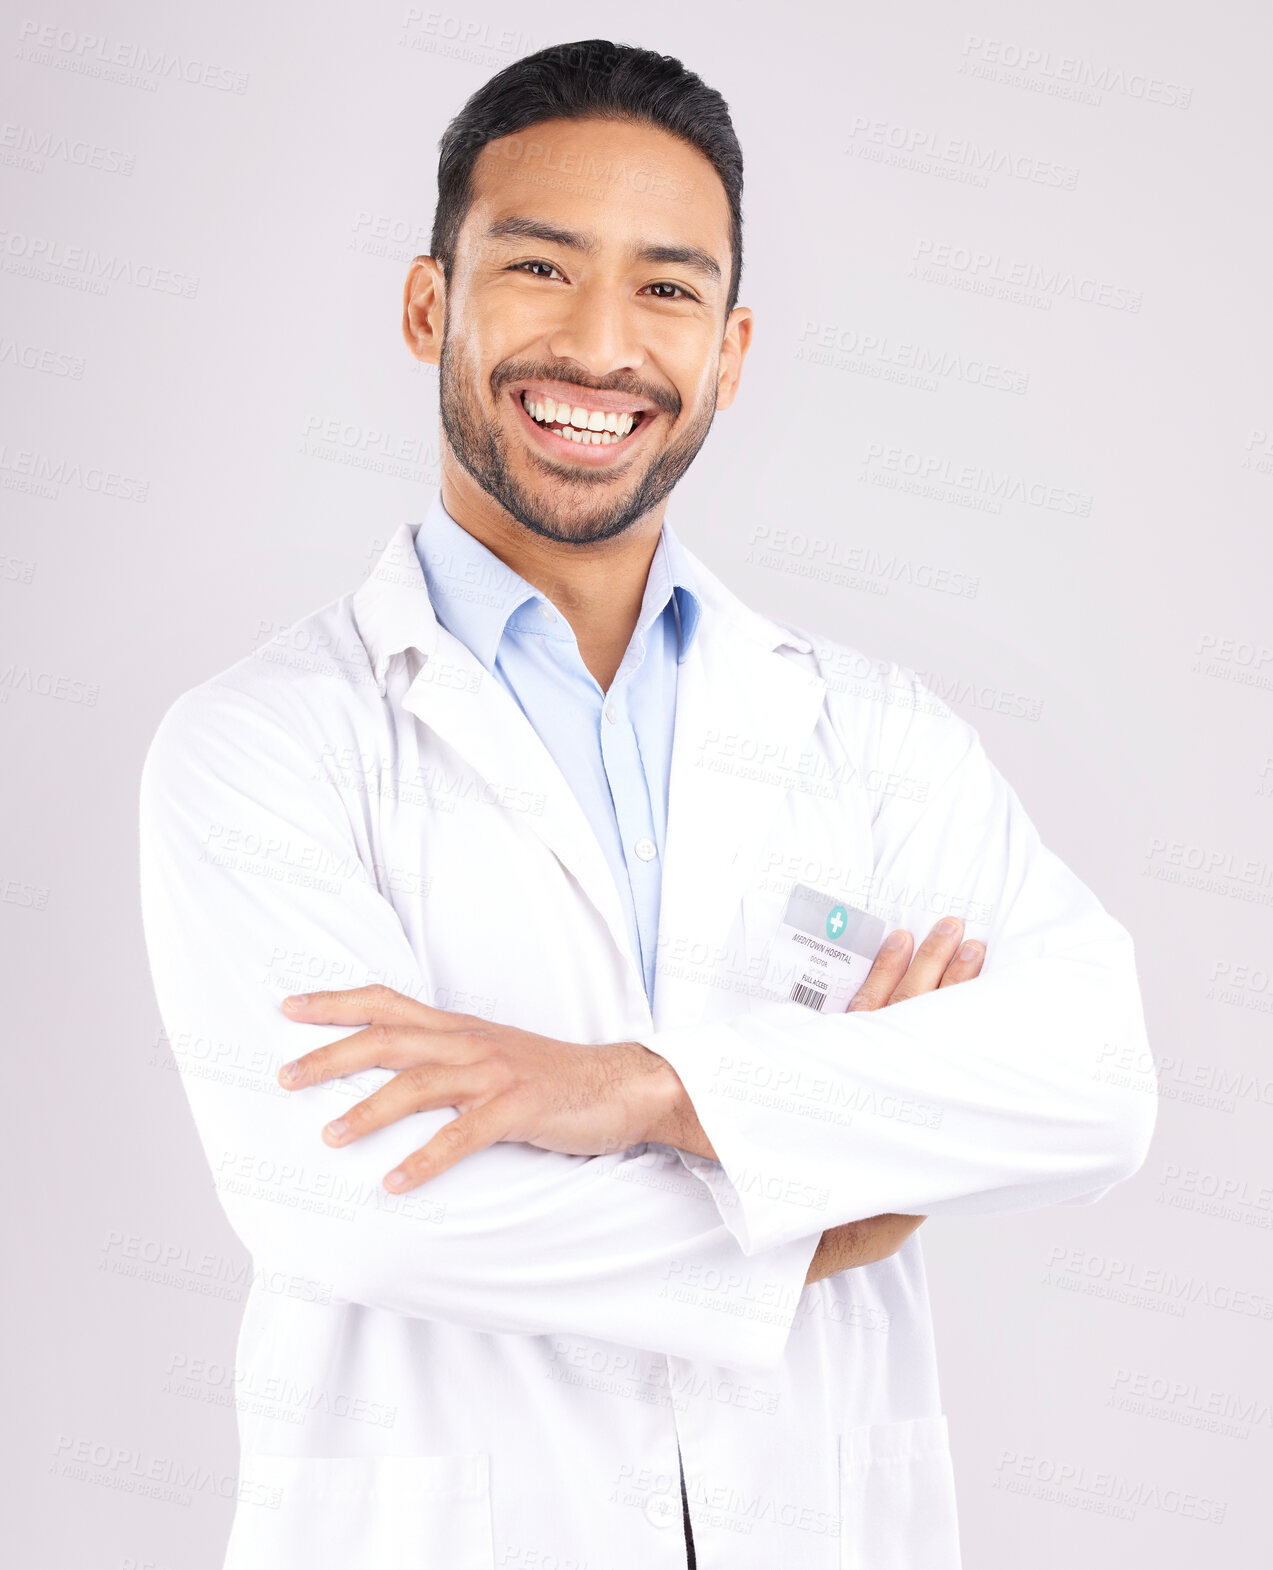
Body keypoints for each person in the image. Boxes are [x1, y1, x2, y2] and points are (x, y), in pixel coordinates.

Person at [138, 39, 1155, 1570]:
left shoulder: (867, 735)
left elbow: (1093, 1080)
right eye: (540, 267)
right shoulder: (263, 744)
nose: (600, 344)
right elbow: (360, 1206)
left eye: (667, 289)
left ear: (732, 349)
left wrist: (652, 1089)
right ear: (430, 305)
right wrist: (835, 1195)